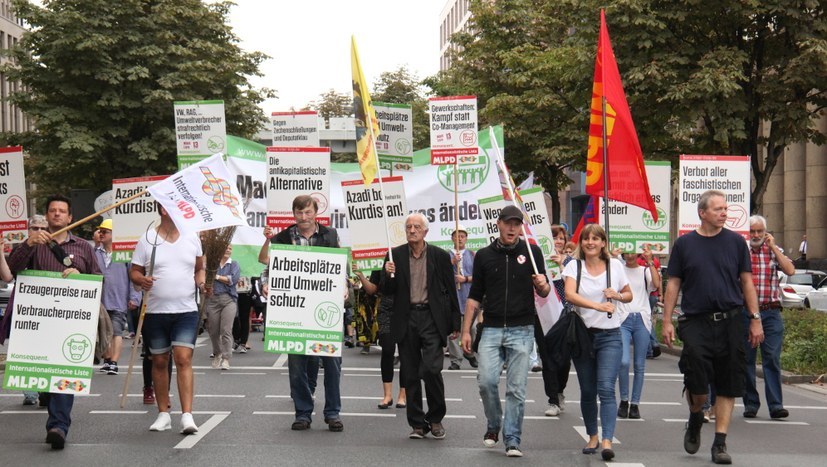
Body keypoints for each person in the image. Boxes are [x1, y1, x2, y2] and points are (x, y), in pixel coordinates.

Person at [662, 190, 762, 465]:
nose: (724, 213)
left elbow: (746, 283)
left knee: (728, 384)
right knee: (696, 379)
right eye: (718, 209)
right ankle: (696, 415)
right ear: (702, 213)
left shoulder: (735, 243)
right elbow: (673, 284)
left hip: (731, 320)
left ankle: (719, 443)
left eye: (725, 209)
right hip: (696, 322)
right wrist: (667, 320)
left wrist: (755, 318)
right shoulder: (684, 245)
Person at [7, 195, 102, 449]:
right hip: (40, 321)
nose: (57, 214)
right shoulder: (34, 243)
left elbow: (98, 281)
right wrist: (27, 244)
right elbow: (11, 270)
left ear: (71, 217)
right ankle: (48, 398)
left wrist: (80, 276)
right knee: (47, 378)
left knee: (63, 373)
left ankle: (58, 426)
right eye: (53, 211)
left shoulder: (83, 247)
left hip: (70, 322)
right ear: (47, 216)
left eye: (62, 211)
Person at [461, 205, 550, 458]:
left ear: (521, 227)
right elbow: (475, 295)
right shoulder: (484, 256)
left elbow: (543, 292)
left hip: (522, 329)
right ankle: (493, 424)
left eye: (517, 224)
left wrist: (543, 286)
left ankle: (512, 438)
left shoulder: (532, 252)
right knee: (486, 382)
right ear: (498, 224)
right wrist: (466, 330)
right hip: (491, 328)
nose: (512, 228)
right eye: (508, 223)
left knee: (516, 389)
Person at [258, 195, 344, 432]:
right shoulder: (284, 237)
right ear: (293, 213)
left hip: (324, 312)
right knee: (296, 366)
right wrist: (267, 282)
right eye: (299, 213)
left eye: (308, 212)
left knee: (332, 365)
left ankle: (332, 413)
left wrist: (344, 286)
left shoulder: (331, 235)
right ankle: (303, 413)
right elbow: (267, 262)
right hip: (294, 313)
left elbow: (340, 267)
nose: (304, 217)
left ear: (316, 212)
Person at [382, 213, 460, 440]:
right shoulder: (394, 254)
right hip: (406, 319)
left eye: (416, 227)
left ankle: (435, 419)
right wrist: (388, 274)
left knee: (431, 369)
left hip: (432, 318)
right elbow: (387, 290)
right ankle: (417, 424)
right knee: (410, 373)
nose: (412, 230)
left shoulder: (438, 255)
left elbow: (449, 289)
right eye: (408, 227)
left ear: (425, 231)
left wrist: (455, 320)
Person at [131, 204, 205, 435]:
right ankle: (164, 413)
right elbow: (134, 272)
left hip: (186, 310)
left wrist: (202, 283)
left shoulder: (192, 237)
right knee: (160, 361)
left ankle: (187, 415)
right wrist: (141, 280)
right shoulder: (147, 239)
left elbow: (199, 268)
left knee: (183, 358)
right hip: (155, 310)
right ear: (163, 210)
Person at [563, 224, 631, 462]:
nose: (590, 242)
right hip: (583, 335)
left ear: (603, 243)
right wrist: (598, 305)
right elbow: (570, 295)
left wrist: (618, 296)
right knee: (588, 390)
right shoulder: (574, 266)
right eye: (586, 239)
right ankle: (592, 435)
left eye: (595, 238)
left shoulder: (615, 266)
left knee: (605, 387)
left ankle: (607, 440)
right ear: (581, 243)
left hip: (610, 335)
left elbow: (628, 293)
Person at [743, 215, 794, 419]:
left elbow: (790, 269)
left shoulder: (774, 251)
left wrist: (773, 248)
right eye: (752, 231)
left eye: (759, 232)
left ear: (766, 232)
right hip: (746, 313)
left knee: (771, 358)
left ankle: (775, 405)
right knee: (746, 359)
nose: (756, 235)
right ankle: (751, 403)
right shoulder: (742, 251)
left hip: (771, 312)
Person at [353, 268, 407, 409]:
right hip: (385, 310)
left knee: (406, 352)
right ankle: (387, 395)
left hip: (407, 309)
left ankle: (403, 395)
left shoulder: (409, 259)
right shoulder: (380, 265)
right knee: (388, 350)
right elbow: (372, 290)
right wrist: (361, 276)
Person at [617, 247, 660, 420]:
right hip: (623, 319)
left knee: (640, 365)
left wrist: (650, 261)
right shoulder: (618, 268)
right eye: (626, 251)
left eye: (633, 250)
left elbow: (656, 285)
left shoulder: (644, 271)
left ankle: (635, 404)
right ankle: (624, 400)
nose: (630, 254)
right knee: (623, 361)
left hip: (641, 319)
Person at [95, 219, 141, 376]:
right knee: (103, 332)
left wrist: (134, 297)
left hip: (118, 299)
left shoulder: (124, 254)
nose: (100, 234)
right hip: (99, 300)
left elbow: (133, 276)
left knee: (116, 331)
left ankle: (114, 362)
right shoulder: (95, 254)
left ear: (114, 234)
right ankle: (107, 360)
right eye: (100, 231)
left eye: (104, 231)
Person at [537, 225, 572, 417]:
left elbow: (574, 288)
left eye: (561, 238)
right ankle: (552, 400)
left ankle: (560, 390)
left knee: (564, 360)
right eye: (554, 238)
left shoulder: (571, 263)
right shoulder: (538, 260)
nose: (558, 241)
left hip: (565, 315)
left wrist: (562, 266)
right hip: (542, 314)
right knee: (548, 359)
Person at [447, 225, 477, 370]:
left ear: (466, 238)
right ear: (452, 237)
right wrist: (451, 263)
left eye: (462, 236)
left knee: (473, 328)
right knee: (454, 330)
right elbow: (440, 274)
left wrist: (465, 279)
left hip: (469, 296)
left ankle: (469, 353)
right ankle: (455, 360)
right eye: (456, 235)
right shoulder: (446, 255)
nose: (459, 238)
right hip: (453, 298)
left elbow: (479, 276)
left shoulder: (472, 254)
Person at [206, 245, 240, 370]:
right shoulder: (212, 265)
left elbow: (232, 280)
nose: (228, 250)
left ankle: (226, 358)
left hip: (228, 300)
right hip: (213, 300)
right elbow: (207, 278)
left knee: (226, 329)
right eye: (225, 248)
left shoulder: (234, 264)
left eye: (230, 248)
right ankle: (217, 353)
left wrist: (217, 277)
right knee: (213, 330)